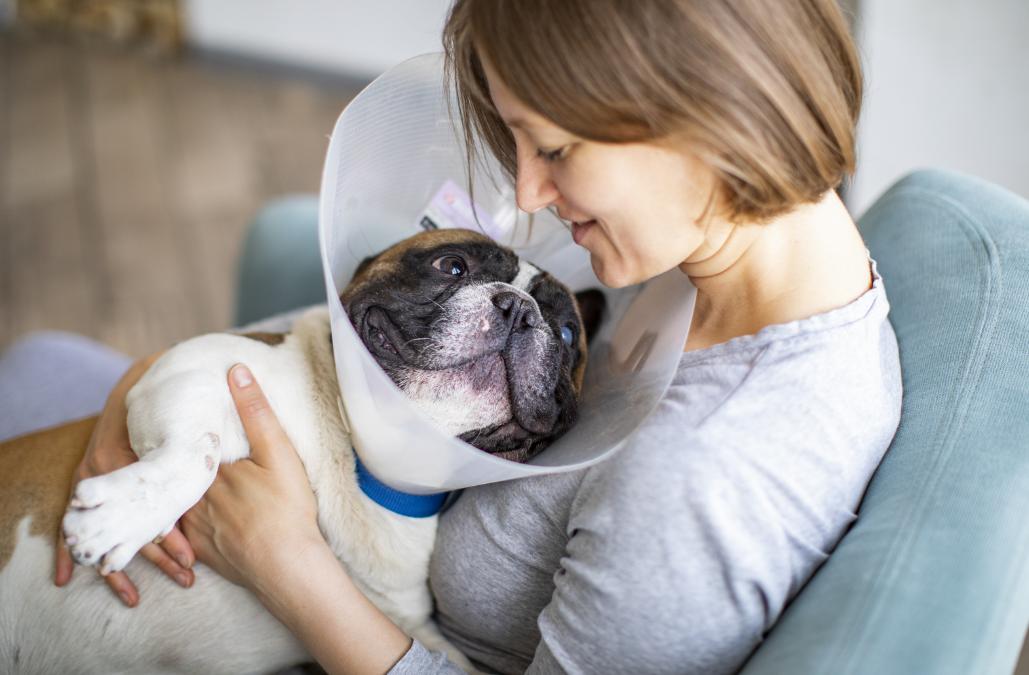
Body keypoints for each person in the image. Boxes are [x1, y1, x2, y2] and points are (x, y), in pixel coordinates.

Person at [3, 0, 901, 672]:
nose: (532, 192)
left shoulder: (707, 476)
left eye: (551, 149)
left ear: (708, 117)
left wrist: (288, 566)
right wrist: (159, 385)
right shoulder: (687, 244)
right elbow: (376, 313)